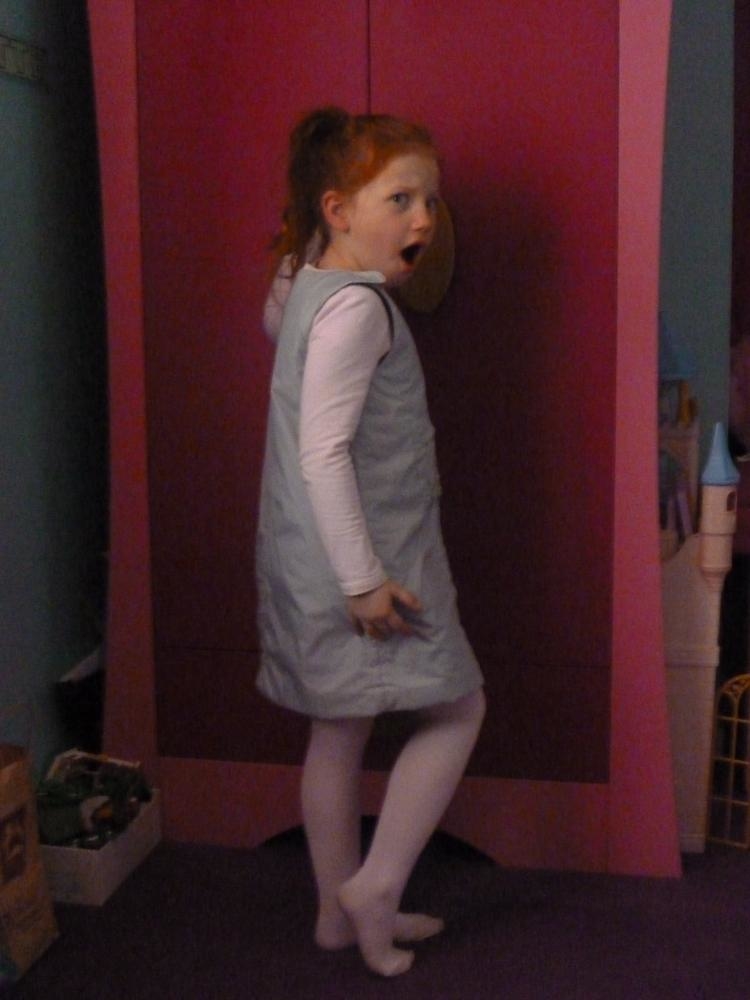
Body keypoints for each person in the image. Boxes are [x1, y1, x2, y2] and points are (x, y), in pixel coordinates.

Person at [256, 107, 485, 977]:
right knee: (459, 709)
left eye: (430, 199)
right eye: (400, 199)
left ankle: (333, 913)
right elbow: (323, 453)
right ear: (338, 209)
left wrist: (305, 247)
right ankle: (376, 887)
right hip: (370, 569)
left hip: (306, 559)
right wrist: (363, 582)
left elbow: (277, 322)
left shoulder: (305, 282)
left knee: (339, 729)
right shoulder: (358, 312)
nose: (424, 217)